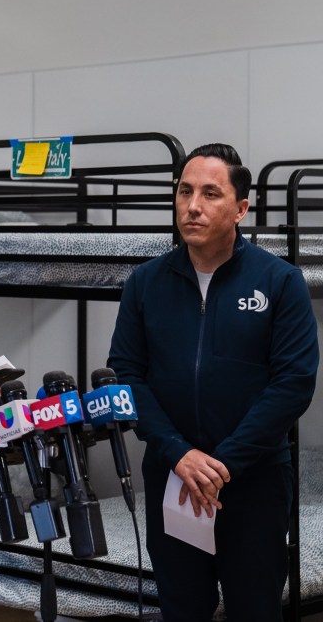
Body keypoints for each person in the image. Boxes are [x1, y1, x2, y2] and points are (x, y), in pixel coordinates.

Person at [108, 143, 319, 622]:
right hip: (172, 475)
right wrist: (178, 453)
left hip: (253, 481)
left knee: (254, 609)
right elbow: (127, 373)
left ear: (241, 209)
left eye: (210, 193)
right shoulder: (145, 282)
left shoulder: (280, 282)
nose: (192, 206)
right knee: (183, 609)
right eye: (184, 191)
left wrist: (221, 463)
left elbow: (293, 384)